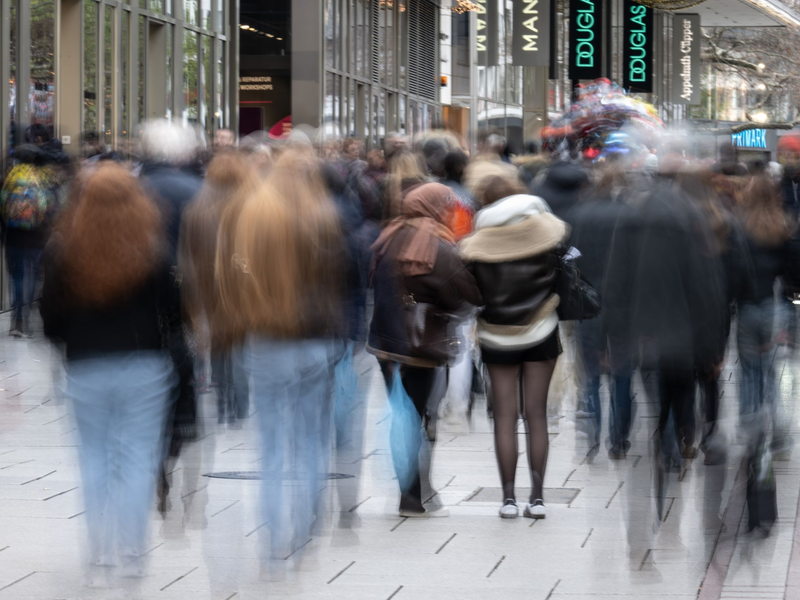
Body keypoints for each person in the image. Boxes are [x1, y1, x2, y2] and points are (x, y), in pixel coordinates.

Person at [39, 163, 178, 580]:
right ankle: (134, 551)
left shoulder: (63, 250)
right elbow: (173, 311)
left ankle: (100, 551)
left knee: (93, 456)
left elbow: (48, 316)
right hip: (144, 363)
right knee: (137, 457)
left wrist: (67, 344)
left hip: (85, 365)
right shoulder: (152, 248)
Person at [217, 152, 346, 564]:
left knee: (271, 446)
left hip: (268, 340)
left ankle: (273, 541)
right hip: (316, 340)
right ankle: (306, 525)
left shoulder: (255, 219)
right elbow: (344, 281)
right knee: (310, 439)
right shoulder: (326, 218)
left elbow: (236, 275)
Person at [368, 182, 481, 517]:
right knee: (421, 417)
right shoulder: (439, 247)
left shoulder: (386, 238)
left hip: (385, 344)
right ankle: (416, 494)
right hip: (423, 345)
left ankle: (409, 489)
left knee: (400, 415)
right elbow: (465, 295)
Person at [460, 186, 568, 520]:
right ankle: (537, 498)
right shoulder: (549, 248)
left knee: (504, 417)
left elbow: (470, 295)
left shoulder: (478, 255)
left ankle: (507, 498)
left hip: (496, 338)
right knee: (536, 415)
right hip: (542, 334)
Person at [566, 162, 639, 458]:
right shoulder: (632, 216)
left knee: (592, 372)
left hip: (588, 302)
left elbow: (571, 260)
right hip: (624, 305)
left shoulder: (580, 214)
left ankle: (593, 433)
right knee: (622, 373)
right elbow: (637, 266)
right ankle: (619, 439)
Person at [180, 152, 256, 426]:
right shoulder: (253, 206)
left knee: (218, 345)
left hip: (208, 287)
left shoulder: (196, 209)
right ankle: (241, 405)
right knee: (241, 346)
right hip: (243, 287)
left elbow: (187, 254)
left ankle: (223, 401)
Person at [736, 172, 800, 458]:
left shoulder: (739, 226)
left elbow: (733, 269)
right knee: (770, 374)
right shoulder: (784, 224)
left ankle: (752, 435)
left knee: (749, 372)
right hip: (775, 307)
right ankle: (781, 435)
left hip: (748, 306)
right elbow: (793, 269)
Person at [0, 126, 69, 337]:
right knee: (30, 275)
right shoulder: (43, 178)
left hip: (13, 235)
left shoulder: (10, 177)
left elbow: (2, 207)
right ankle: (26, 322)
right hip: (36, 236)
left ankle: (15, 321)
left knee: (16, 277)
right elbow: (52, 208)